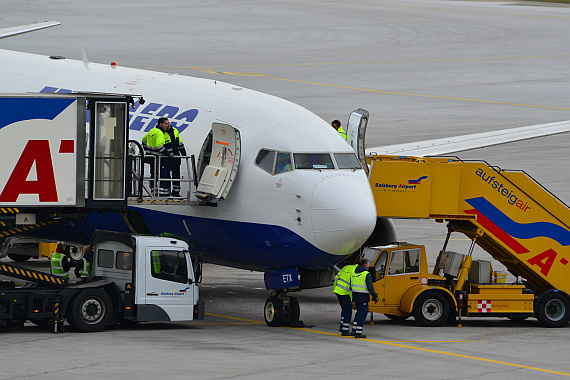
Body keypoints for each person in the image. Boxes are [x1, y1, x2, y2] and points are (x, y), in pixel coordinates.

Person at [350, 258, 379, 338]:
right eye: (368, 264)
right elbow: (370, 287)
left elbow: (350, 286)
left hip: (355, 296)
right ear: (366, 265)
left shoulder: (353, 273)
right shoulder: (366, 274)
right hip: (363, 297)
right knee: (362, 314)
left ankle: (354, 330)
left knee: (358, 313)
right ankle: (358, 332)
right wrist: (375, 296)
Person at [161, 118, 187, 197]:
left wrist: (183, 153)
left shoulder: (175, 131)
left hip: (175, 158)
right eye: (166, 124)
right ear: (161, 124)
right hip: (167, 158)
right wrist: (167, 153)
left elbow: (180, 143)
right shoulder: (161, 133)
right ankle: (165, 192)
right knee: (166, 176)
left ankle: (176, 192)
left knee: (176, 176)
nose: (168, 125)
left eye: (169, 123)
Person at [333, 263, 358, 336]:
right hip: (346, 293)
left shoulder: (346, 267)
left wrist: (335, 288)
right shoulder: (356, 271)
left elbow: (336, 277)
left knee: (344, 310)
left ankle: (342, 326)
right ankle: (345, 330)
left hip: (338, 291)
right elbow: (352, 286)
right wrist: (353, 299)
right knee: (347, 312)